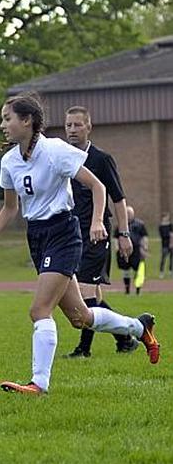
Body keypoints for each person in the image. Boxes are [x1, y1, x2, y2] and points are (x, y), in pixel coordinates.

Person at [0, 93, 160, 396]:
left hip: (63, 232)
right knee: (81, 318)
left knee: (39, 310)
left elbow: (97, 186)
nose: (2, 125)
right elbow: (11, 207)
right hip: (36, 237)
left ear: (27, 121)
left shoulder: (56, 150)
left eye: (7, 118)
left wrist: (97, 221)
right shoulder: (9, 160)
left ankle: (39, 384)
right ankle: (140, 328)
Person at [60, 106, 138, 358]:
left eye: (77, 125)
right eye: (68, 125)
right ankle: (125, 337)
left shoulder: (101, 159)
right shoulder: (62, 157)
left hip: (97, 234)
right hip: (72, 235)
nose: (72, 129)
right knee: (91, 294)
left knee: (84, 293)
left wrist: (124, 235)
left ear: (88, 127)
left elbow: (118, 200)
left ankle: (84, 349)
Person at [116, 205, 149, 295]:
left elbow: (144, 237)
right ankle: (127, 290)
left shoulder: (139, 224)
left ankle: (138, 289)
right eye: (127, 213)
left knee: (139, 270)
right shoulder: (121, 225)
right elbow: (116, 237)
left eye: (130, 213)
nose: (128, 215)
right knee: (125, 270)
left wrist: (145, 248)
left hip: (137, 251)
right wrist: (117, 249)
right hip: (124, 251)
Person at [160, 212, 172, 278]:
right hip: (164, 244)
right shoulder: (161, 226)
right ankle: (161, 272)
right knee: (163, 258)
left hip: (170, 244)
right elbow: (163, 235)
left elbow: (171, 234)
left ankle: (170, 271)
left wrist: (171, 243)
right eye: (165, 217)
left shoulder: (170, 225)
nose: (166, 218)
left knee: (171, 259)